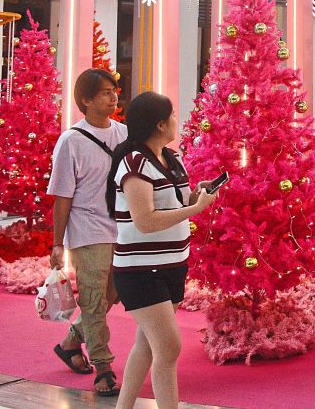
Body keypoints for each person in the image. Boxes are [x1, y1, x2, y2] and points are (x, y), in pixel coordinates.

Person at [107, 92, 218, 409]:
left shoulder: (172, 159)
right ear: (158, 124)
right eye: (171, 116)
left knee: (147, 344)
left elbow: (173, 204)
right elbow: (145, 221)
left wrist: (196, 194)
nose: (176, 121)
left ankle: (123, 406)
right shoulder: (134, 163)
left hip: (172, 264)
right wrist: (195, 210)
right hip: (141, 270)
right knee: (168, 348)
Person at [46, 69, 125, 397]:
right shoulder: (71, 141)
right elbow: (62, 196)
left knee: (114, 292)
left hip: (121, 228)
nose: (113, 97)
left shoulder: (124, 134)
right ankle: (103, 367)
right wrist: (56, 243)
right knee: (93, 299)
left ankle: (70, 342)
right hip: (87, 230)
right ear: (85, 100)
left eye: (114, 90)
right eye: (105, 92)